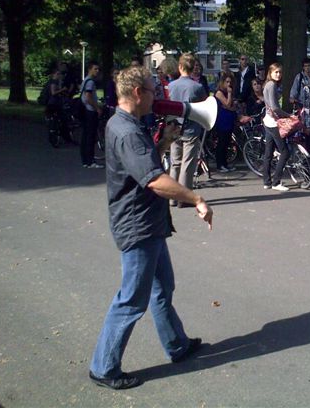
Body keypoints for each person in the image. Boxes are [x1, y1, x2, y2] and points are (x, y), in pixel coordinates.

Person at [89, 65, 213, 390]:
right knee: (131, 300)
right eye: (152, 90)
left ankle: (177, 345)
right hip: (138, 227)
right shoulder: (127, 131)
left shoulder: (128, 124)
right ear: (136, 93)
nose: (157, 96)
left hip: (150, 224)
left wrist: (163, 144)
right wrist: (195, 197)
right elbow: (155, 181)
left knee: (163, 289)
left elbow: (141, 167)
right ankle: (103, 367)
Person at [168, 53, 208, 204]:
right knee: (188, 163)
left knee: (175, 162)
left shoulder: (171, 85)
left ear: (180, 67)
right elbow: (204, 106)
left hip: (174, 127)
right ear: (192, 69)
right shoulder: (197, 87)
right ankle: (184, 198)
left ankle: (172, 197)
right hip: (191, 127)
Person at [261, 62, 291, 191]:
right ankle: (276, 182)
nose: (278, 74)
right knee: (285, 152)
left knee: (268, 153)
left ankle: (266, 182)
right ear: (270, 73)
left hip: (267, 120)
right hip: (273, 122)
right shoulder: (272, 85)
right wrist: (288, 116)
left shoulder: (268, 84)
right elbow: (275, 107)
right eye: (276, 72)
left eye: (280, 72)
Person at [80, 61, 104, 168]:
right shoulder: (90, 82)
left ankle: (85, 160)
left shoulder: (85, 80)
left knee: (86, 135)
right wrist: (97, 108)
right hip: (90, 111)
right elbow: (88, 96)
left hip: (85, 110)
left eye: (98, 69)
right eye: (95, 69)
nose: (97, 71)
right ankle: (90, 161)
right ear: (89, 69)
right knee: (90, 136)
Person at [214, 73, 238, 172]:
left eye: (230, 82)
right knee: (222, 142)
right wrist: (229, 94)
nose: (229, 84)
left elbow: (233, 106)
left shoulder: (231, 92)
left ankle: (225, 163)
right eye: (227, 82)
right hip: (222, 119)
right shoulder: (219, 93)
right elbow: (228, 104)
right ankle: (220, 164)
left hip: (229, 118)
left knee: (227, 142)